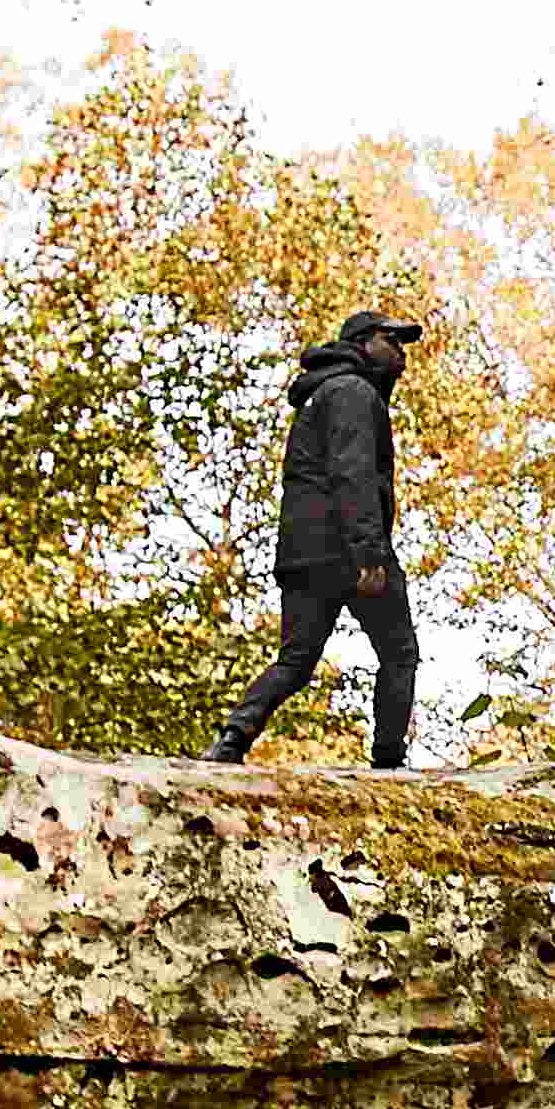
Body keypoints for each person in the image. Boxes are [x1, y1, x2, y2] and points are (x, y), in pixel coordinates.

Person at [207, 306, 426, 767]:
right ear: (364, 343)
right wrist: (369, 552)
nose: (402, 355)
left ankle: (232, 741)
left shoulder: (327, 393)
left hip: (304, 555)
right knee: (400, 651)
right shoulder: (353, 392)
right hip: (348, 549)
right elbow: (353, 474)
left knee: (296, 660)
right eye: (393, 342)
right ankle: (389, 760)